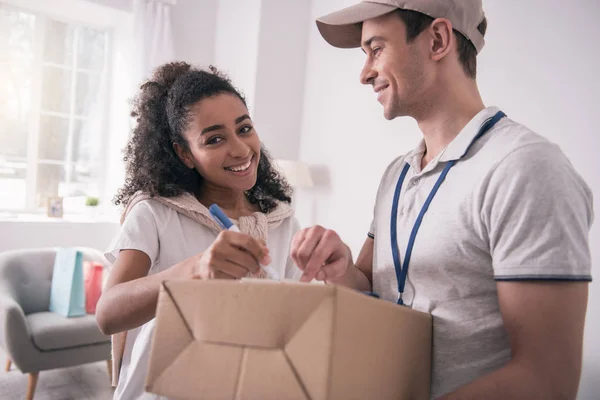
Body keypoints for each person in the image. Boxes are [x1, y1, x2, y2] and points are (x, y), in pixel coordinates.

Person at [290, 1, 594, 399]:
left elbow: (548, 380)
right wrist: (343, 269)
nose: (364, 73)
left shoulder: (525, 168)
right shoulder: (398, 175)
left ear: (437, 40)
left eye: (376, 49)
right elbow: (372, 287)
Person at [95, 61, 302, 400]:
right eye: (215, 138)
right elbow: (108, 315)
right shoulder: (155, 213)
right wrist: (193, 269)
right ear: (184, 153)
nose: (239, 149)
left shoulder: (284, 223)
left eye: (245, 128)